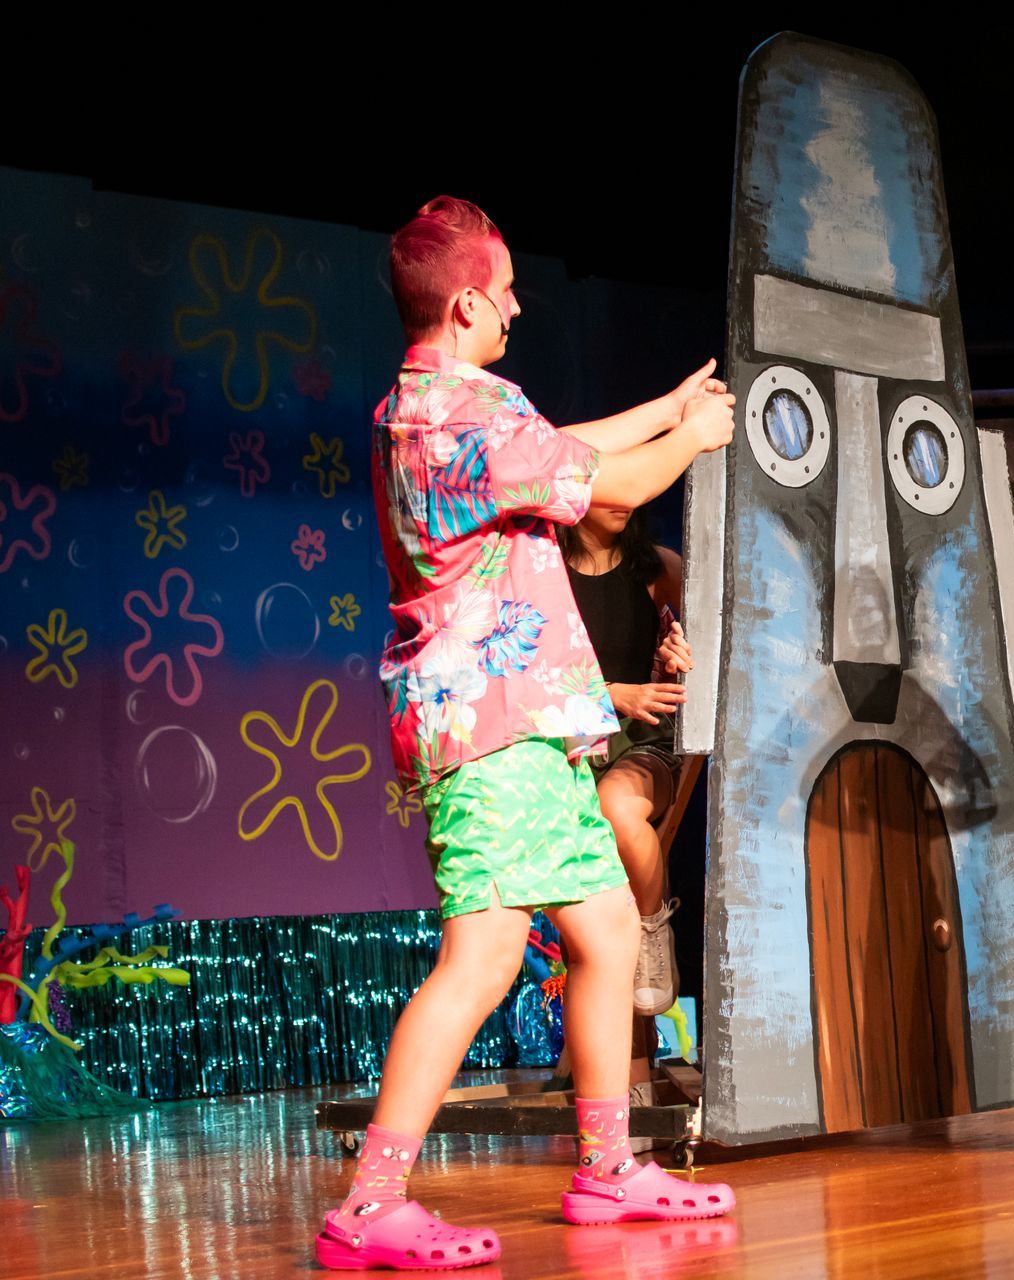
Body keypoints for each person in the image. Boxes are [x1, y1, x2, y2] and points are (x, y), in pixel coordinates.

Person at [316, 196, 736, 1271]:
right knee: (486, 953)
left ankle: (604, 1167)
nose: (513, 305)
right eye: (501, 291)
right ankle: (372, 1198)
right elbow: (617, 484)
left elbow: (564, 449)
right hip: (491, 728)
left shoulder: (428, 406)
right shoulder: (466, 415)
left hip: (523, 723)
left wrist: (664, 404)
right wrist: (690, 437)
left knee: (602, 930)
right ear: (465, 303)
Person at [560, 504, 691, 1017]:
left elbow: (723, 639)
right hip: (568, 749)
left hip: (644, 743)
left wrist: (685, 651)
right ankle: (624, 1083)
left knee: (615, 805)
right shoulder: (542, 572)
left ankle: (653, 923)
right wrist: (614, 693)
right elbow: (533, 676)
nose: (621, 500)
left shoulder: (657, 568)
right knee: (595, 920)